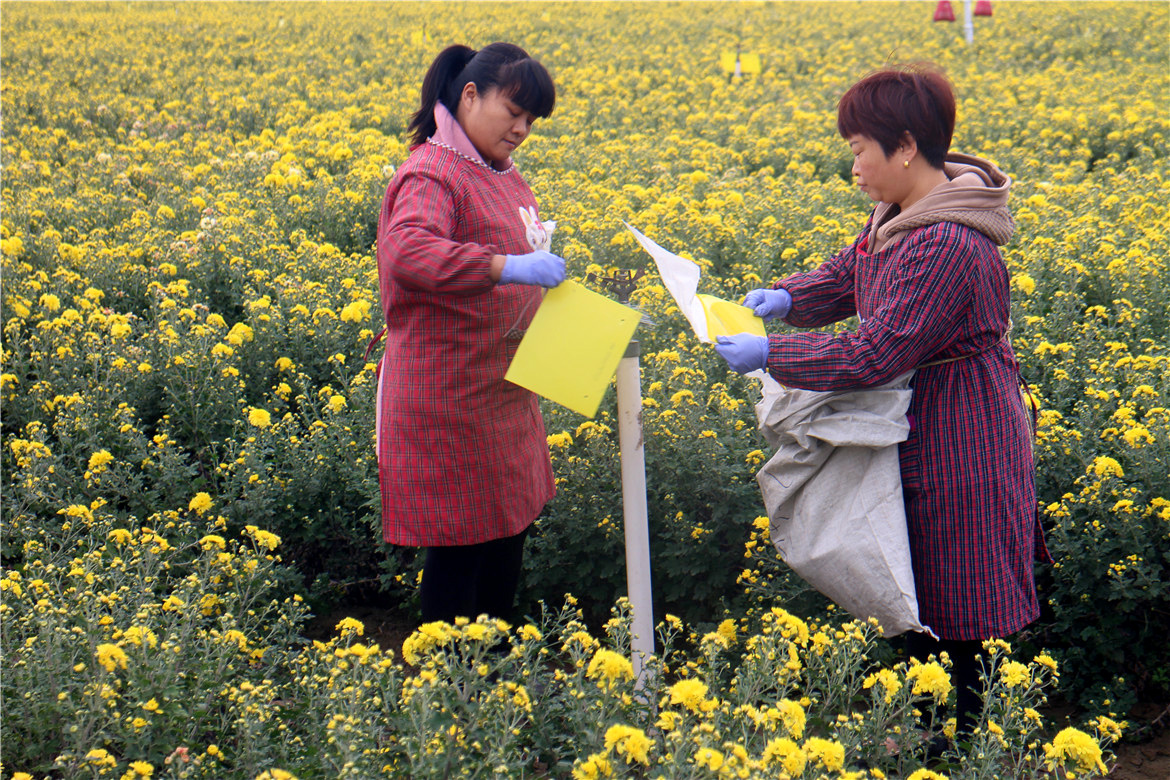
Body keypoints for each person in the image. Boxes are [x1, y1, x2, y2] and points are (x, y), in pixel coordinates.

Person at [714, 64, 1050, 742]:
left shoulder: (947, 241)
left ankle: (963, 743)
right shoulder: (901, 213)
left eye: (860, 149)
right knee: (914, 577)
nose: (855, 166)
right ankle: (933, 730)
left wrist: (773, 354)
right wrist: (788, 297)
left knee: (957, 594)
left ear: (905, 146)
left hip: (960, 433)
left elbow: (878, 351)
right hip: (918, 418)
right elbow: (851, 272)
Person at [373, 43, 565, 627]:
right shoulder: (433, 171)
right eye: (514, 111)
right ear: (471, 95)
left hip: (501, 393)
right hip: (449, 398)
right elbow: (408, 250)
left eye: (532, 120)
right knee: (460, 548)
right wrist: (507, 267)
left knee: (506, 536)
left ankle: (494, 668)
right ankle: (449, 672)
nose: (522, 129)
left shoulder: (499, 171)